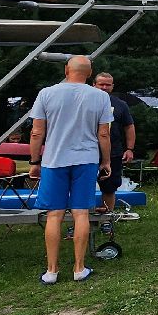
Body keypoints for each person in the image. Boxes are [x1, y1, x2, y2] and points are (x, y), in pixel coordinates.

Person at [28, 56, 112, 284]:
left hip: (54, 159)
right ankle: (79, 268)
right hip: (86, 159)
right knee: (81, 213)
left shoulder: (46, 93)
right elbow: (103, 133)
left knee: (54, 214)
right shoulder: (101, 96)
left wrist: (35, 161)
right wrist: (106, 161)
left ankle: (52, 271)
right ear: (90, 73)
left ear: (66, 70)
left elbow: (36, 132)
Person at [94, 71, 137, 219]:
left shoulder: (120, 105)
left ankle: (107, 218)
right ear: (94, 85)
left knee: (110, 187)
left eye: (108, 85)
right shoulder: (84, 102)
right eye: (101, 84)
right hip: (86, 152)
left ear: (112, 86)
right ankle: (81, 221)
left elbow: (129, 127)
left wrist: (130, 149)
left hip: (113, 153)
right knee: (82, 188)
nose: (104, 87)